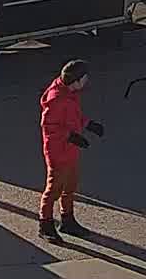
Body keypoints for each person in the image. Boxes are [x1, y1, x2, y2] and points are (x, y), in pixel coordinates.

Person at [38, 59, 106, 244]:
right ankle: (45, 224)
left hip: (70, 149)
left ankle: (67, 219)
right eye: (84, 78)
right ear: (76, 81)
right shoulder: (56, 99)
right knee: (54, 189)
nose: (87, 80)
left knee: (70, 186)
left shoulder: (69, 92)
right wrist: (71, 136)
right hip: (57, 151)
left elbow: (73, 116)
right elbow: (49, 127)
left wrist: (88, 124)